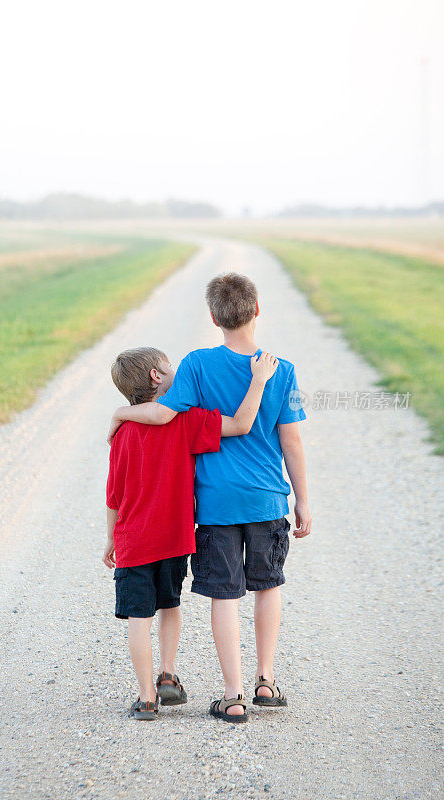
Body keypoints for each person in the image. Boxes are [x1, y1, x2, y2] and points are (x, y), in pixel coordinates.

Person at [108, 273, 312, 723]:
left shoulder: (197, 364)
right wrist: (302, 499)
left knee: (225, 596)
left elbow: (162, 414)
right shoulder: (283, 370)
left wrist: (120, 412)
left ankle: (233, 695)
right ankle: (266, 679)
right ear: (257, 310)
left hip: (217, 506)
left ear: (214, 317)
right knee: (268, 585)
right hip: (267, 500)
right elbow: (292, 442)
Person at [104, 345, 279, 720]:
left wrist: (109, 539)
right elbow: (240, 423)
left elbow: (113, 496)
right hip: (174, 539)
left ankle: (147, 696)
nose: (177, 371)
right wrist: (259, 381)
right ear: (157, 376)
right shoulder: (186, 421)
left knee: (139, 618)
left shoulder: (121, 434)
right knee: (170, 606)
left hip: (133, 542)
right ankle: (168, 672)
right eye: (170, 366)